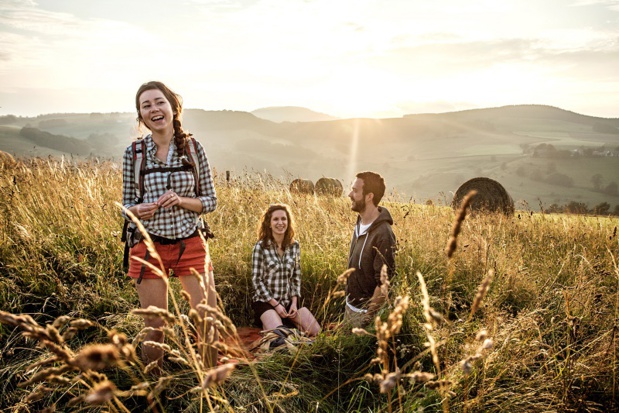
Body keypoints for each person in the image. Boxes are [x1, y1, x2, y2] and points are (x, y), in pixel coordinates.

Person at [122, 81, 218, 368]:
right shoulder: (134, 153)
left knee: (207, 320)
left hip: (190, 240)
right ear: (141, 116)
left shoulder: (193, 148)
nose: (154, 109)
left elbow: (210, 201)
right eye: (146, 106)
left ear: (173, 107)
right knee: (155, 327)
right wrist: (138, 210)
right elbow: (126, 207)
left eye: (159, 102)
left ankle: (212, 387)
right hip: (148, 245)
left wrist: (181, 200)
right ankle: (156, 388)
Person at [251, 204, 321, 340]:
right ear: (269, 224)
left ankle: (288, 324)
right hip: (267, 302)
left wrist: (294, 303)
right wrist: (276, 305)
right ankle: (272, 324)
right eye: (275, 219)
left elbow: (296, 277)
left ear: (288, 223)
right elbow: (256, 281)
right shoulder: (260, 247)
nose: (280, 223)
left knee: (317, 332)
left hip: (288, 302)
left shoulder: (294, 246)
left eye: (283, 219)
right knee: (280, 340)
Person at [345, 171, 397, 328]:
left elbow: (383, 283)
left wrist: (367, 318)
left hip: (364, 314)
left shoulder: (383, 234)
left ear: (369, 196)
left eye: (355, 191)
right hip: (350, 306)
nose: (349, 194)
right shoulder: (360, 222)